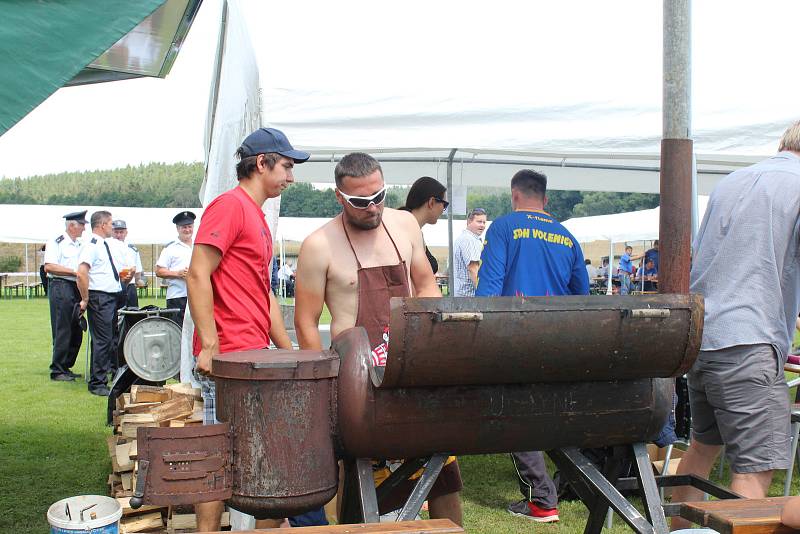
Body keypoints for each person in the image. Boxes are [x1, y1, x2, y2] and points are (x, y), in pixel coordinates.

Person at [294, 152, 463, 526]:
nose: (372, 208)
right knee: (361, 475)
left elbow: (424, 283)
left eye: (379, 196)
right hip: (356, 383)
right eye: (359, 201)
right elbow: (305, 322)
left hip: (411, 369)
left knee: (442, 473)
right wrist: (321, 389)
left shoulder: (404, 225)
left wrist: (434, 344)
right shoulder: (319, 245)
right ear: (339, 197)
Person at [670, 121, 800, 529]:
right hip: (749, 340)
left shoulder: (732, 181)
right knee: (754, 471)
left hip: (703, 335)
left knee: (701, 451)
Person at [186, 127, 311, 532]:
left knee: (265, 457)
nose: (291, 177)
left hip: (252, 357)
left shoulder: (257, 216)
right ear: (262, 164)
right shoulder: (229, 206)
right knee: (221, 455)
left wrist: (287, 349)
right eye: (287, 166)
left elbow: (263, 293)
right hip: (228, 360)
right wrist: (209, 345)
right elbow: (197, 274)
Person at [476, 169, 589, 523]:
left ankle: (542, 499)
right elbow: (583, 300)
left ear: (514, 195)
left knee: (515, 417)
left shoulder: (504, 227)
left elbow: (488, 293)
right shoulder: (568, 237)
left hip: (514, 339)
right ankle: (574, 485)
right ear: (546, 199)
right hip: (559, 341)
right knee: (553, 415)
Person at [77, 211, 132, 396]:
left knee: (108, 340)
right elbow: (81, 273)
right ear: (102, 225)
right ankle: (97, 383)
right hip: (100, 297)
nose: (112, 227)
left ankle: (103, 377)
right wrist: (85, 299)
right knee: (102, 341)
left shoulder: (102, 244)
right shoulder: (92, 245)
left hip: (109, 297)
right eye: (110, 224)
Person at [44, 210, 87, 381]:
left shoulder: (79, 244)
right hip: (61, 285)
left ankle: (66, 365)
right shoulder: (57, 242)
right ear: (71, 225)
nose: (84, 228)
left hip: (75, 286)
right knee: (63, 327)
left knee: (76, 328)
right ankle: (57, 369)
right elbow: (49, 267)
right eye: (82, 225)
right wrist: (74, 271)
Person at [398, 176, 448, 274]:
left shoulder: (414, 229)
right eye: (444, 205)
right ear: (431, 202)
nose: (443, 210)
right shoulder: (404, 230)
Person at [156, 211, 195, 328]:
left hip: (198, 295)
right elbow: (159, 271)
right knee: (177, 331)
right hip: (177, 296)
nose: (187, 230)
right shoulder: (170, 249)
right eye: (184, 227)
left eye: (189, 226)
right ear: (178, 228)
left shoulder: (199, 246)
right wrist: (177, 274)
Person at [452, 208, 487, 297]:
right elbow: (473, 268)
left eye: (484, 222)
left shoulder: (466, 238)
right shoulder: (468, 240)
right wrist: (482, 293)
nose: (482, 225)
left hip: (463, 296)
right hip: (468, 297)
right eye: (479, 222)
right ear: (469, 222)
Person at [110, 220, 143, 308]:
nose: (119, 235)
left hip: (130, 286)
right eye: (116, 232)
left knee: (133, 315)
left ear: (126, 233)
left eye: (121, 232)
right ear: (111, 232)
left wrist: (136, 280)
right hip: (114, 285)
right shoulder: (106, 247)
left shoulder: (132, 249)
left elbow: (138, 271)